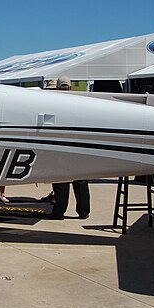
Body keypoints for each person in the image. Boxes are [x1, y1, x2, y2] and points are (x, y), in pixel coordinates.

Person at [48, 76, 91, 219]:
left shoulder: (54, 103)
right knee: (81, 180)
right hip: (78, 144)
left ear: (57, 88)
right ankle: (83, 211)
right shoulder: (80, 101)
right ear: (71, 87)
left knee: (61, 180)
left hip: (61, 145)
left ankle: (59, 211)